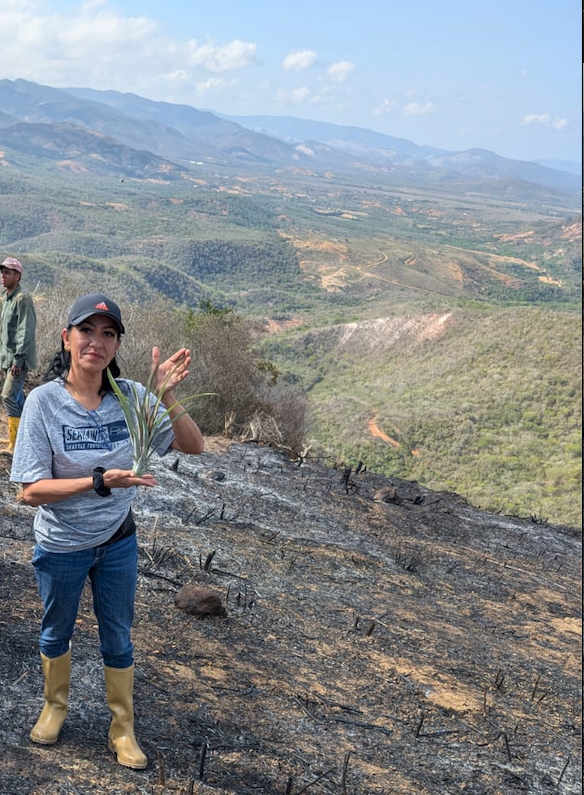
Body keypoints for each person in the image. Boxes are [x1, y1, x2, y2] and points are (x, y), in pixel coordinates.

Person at [9, 292, 204, 770]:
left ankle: (123, 728)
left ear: (116, 344)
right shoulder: (43, 403)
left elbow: (194, 445)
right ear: (66, 337)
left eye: (108, 333)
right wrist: (99, 481)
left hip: (117, 542)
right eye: (86, 331)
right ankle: (55, 707)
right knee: (56, 631)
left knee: (117, 636)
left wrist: (165, 394)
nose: (96, 341)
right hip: (62, 545)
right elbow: (29, 492)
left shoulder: (131, 397)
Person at [0, 256, 37, 456]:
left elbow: (25, 330)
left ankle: (15, 446)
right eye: (2, 272)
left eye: (8, 272)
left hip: (18, 359)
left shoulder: (23, 298)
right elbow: (5, 332)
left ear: (18, 275)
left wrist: (18, 360)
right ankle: (27, 437)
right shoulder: (7, 297)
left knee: (7, 396)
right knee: (17, 398)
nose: (3, 276)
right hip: (9, 359)